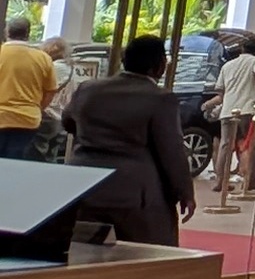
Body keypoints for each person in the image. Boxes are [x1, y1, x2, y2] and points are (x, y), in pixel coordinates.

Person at [65, 34, 195, 246]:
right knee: (148, 253)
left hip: (82, 183)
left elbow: (68, 122)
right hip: (133, 191)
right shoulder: (161, 98)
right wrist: (185, 192)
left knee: (83, 250)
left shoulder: (88, 88)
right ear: (159, 65)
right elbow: (171, 150)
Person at [213, 35, 255, 208]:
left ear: (242, 49)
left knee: (226, 145)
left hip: (227, 111)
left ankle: (221, 181)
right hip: (248, 110)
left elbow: (220, 91)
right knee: (252, 145)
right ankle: (250, 182)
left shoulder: (228, 65)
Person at [0, 15, 55, 161]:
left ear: (7, 31)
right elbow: (50, 91)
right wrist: (37, 108)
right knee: (16, 164)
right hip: (28, 119)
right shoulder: (43, 58)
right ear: (28, 33)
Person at [35, 35, 74, 162]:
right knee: (51, 157)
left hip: (47, 114)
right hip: (60, 117)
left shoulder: (54, 68)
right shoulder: (70, 68)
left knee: (36, 155)